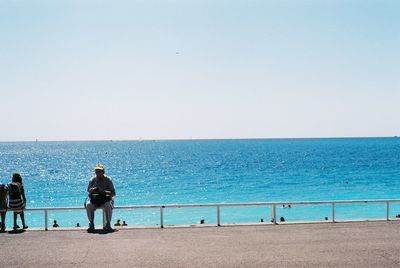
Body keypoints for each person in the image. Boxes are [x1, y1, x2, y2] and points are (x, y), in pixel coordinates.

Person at [86, 164, 116, 232]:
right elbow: (88, 190)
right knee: (88, 205)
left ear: (103, 172)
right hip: (95, 200)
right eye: (96, 171)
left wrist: (103, 191)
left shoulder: (108, 180)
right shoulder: (92, 180)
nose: (98, 173)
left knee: (108, 205)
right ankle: (91, 224)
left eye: (99, 171)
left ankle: (108, 224)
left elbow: (113, 193)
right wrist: (92, 190)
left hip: (105, 200)